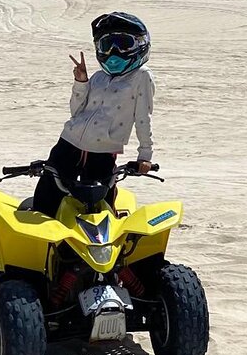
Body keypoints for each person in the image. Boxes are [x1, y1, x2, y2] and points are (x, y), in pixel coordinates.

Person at [32, 11, 155, 218]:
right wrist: (81, 82)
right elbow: (77, 112)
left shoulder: (141, 77)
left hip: (102, 152)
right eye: (107, 45)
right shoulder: (98, 77)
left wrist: (145, 156)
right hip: (68, 144)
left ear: (140, 44)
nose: (114, 51)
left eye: (123, 43)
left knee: (100, 208)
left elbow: (143, 117)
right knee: (46, 200)